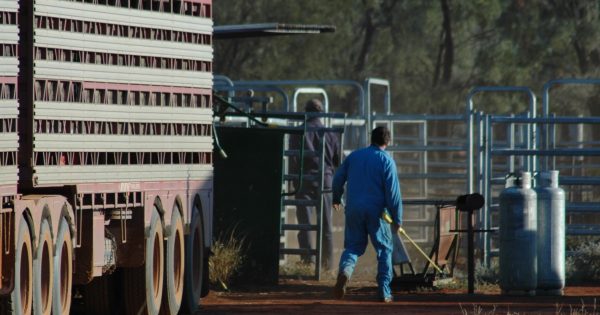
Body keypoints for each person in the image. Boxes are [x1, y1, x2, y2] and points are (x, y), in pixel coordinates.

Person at [331, 126, 403, 303]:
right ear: (388, 141)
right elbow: (393, 194)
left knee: (353, 247)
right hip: (376, 211)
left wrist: (336, 197)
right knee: (384, 249)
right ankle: (384, 291)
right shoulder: (387, 161)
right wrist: (397, 218)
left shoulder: (354, 156)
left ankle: (345, 272)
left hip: (354, 208)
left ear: (371, 138)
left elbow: (338, 178)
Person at [291, 99, 341, 269]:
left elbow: (293, 159)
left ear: (306, 111)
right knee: (326, 224)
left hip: (304, 181)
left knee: (304, 223)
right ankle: (328, 264)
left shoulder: (299, 131)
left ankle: (307, 261)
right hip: (325, 181)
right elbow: (336, 161)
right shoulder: (331, 133)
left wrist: (294, 181)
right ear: (321, 112)